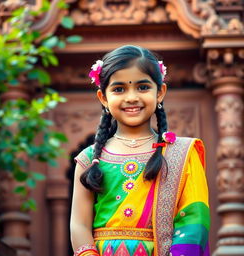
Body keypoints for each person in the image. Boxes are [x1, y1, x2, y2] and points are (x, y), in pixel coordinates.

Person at [70, 45, 210, 256]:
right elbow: (79, 225)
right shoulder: (88, 159)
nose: (131, 97)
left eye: (143, 87)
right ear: (103, 98)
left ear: (160, 92)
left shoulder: (182, 154)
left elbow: (194, 221)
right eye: (119, 89)